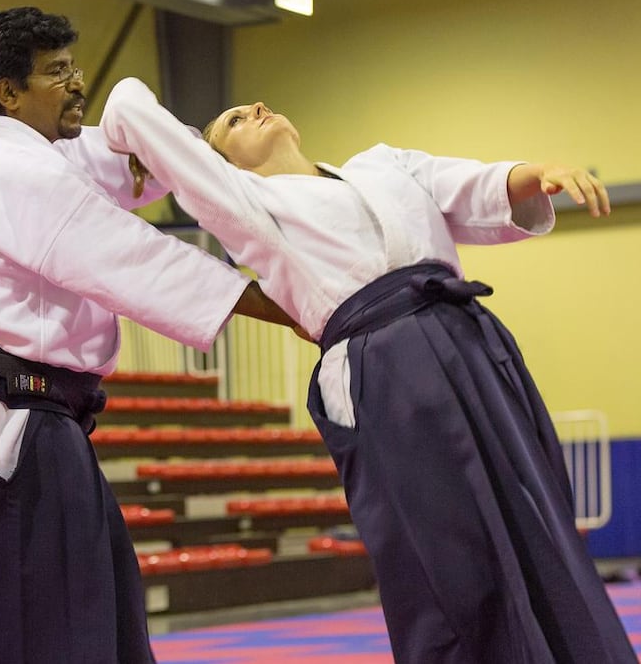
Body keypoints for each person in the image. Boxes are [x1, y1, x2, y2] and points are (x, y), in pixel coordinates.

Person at [101, 77, 637, 663]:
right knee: (448, 563)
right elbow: (127, 100)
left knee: (539, 521)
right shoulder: (242, 203)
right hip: (381, 368)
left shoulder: (381, 165)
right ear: (214, 166)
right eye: (234, 121)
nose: (256, 106)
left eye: (251, 106)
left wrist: (534, 174)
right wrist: (166, 158)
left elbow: (467, 186)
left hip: (467, 339)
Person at [0, 9, 295, 664]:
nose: (77, 82)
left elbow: (129, 155)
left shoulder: (56, 156)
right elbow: (135, 260)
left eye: (75, 66)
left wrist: (211, 149)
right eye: (55, 71)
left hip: (35, 406)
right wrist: (293, 308)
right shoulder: (14, 174)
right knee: (35, 612)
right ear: (9, 94)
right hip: (11, 409)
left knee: (54, 602)